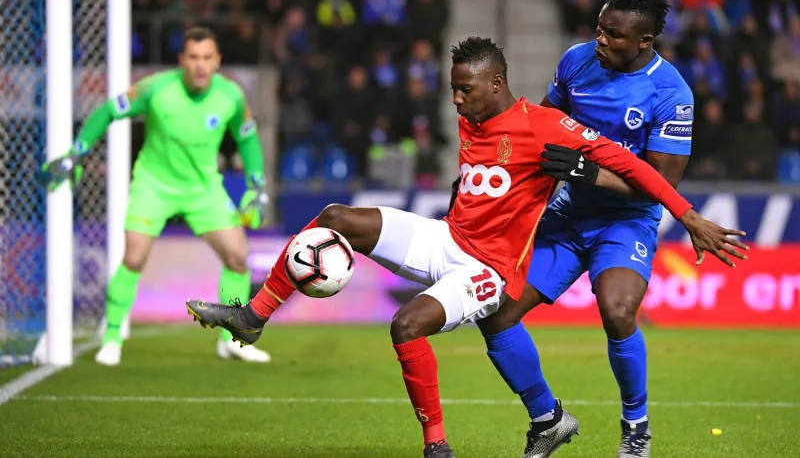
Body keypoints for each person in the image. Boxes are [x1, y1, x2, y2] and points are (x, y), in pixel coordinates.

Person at [185, 37, 747, 458]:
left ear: (496, 85)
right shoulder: (473, 117)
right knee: (334, 218)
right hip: (446, 237)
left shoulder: (547, 125)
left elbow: (631, 166)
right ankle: (254, 317)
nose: (455, 99)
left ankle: (438, 446)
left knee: (408, 325)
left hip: (487, 268)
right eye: (452, 88)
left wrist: (688, 215)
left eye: (466, 90)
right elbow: (485, 175)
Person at [470, 0, 729, 457]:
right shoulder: (576, 61)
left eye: (613, 35)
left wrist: (589, 172)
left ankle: (636, 426)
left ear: (644, 41)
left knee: (617, 311)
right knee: (496, 315)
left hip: (626, 221)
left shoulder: (672, 93)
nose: (601, 40)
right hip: (569, 216)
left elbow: (660, 182)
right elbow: (543, 129)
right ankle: (547, 418)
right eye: (599, 29)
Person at [41, 27, 272, 366]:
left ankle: (232, 341)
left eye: (207, 58)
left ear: (218, 61)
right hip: (154, 185)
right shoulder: (156, 88)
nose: (200, 66)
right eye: (193, 58)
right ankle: (113, 336)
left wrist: (257, 186)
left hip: (203, 188)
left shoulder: (231, 95)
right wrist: (78, 152)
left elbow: (247, 137)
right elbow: (107, 112)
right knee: (134, 258)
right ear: (182, 60)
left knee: (238, 256)